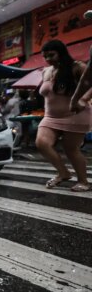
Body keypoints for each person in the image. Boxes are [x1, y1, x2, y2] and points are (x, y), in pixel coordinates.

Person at [36, 40, 91, 192]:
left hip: (75, 114)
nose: (48, 59)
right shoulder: (45, 71)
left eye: (51, 55)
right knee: (42, 143)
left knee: (71, 149)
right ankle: (63, 172)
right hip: (50, 117)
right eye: (45, 56)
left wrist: (83, 99)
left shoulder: (77, 67)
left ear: (62, 52)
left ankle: (83, 181)